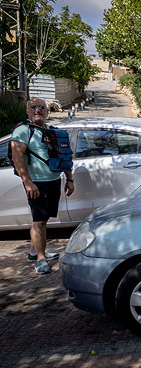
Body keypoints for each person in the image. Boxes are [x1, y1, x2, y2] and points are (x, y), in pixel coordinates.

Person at [10, 98, 74, 274]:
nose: (38, 110)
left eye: (41, 108)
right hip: (36, 183)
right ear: (27, 112)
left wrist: (69, 178)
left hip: (53, 180)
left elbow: (64, 156)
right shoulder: (23, 130)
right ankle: (40, 258)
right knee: (39, 221)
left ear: (47, 111)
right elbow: (18, 158)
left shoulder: (50, 130)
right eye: (34, 108)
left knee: (41, 220)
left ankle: (34, 252)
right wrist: (28, 182)